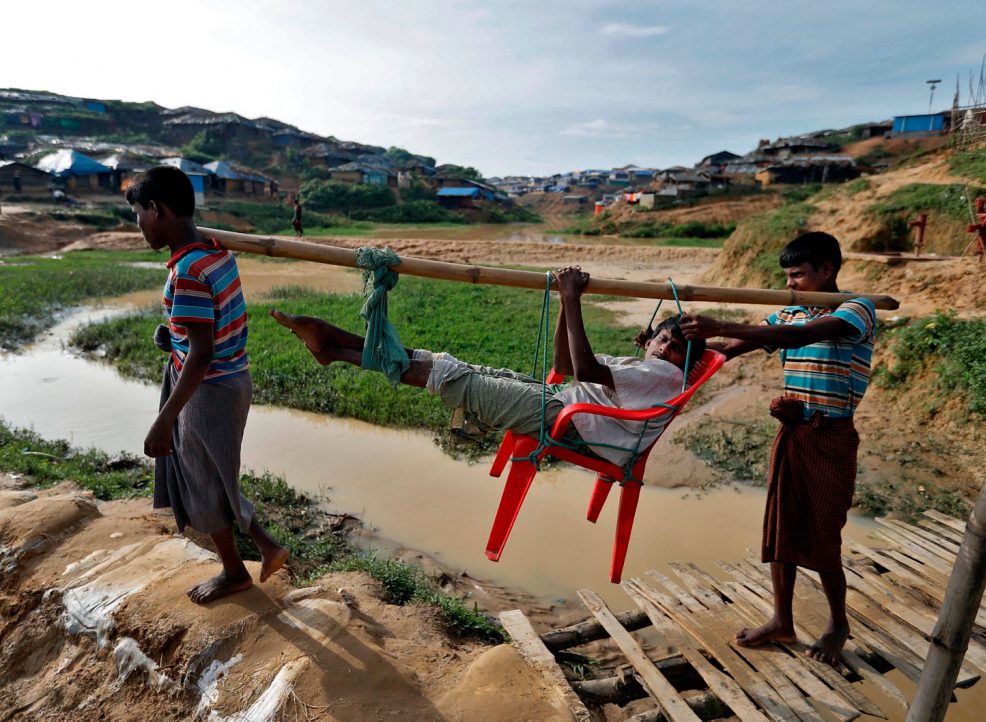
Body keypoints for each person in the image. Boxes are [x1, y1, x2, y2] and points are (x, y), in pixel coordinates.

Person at [270, 267, 705, 466]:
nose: (663, 348)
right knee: (444, 364)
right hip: (564, 403)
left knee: (452, 378)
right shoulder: (651, 368)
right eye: (662, 338)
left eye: (673, 347)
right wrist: (562, 304)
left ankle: (339, 348)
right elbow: (563, 364)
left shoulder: (665, 375)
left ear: (683, 361)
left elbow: (587, 371)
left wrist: (573, 299)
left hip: (570, 421)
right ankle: (339, 349)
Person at [678, 231, 875, 666]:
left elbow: (800, 337)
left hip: (832, 436)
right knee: (781, 527)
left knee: (824, 534)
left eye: (800, 275)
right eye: (787, 277)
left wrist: (721, 324)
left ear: (827, 269)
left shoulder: (857, 309)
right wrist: (677, 344)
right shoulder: (790, 312)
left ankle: (838, 623)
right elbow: (728, 349)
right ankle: (782, 621)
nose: (792, 284)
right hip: (794, 433)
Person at [126, 166, 289, 604]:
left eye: (139, 215)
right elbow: (201, 332)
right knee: (214, 475)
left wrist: (163, 422)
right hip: (225, 379)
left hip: (210, 388)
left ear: (157, 210)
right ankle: (264, 548)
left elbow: (202, 353)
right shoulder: (214, 252)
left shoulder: (191, 271)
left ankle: (237, 571)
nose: (139, 226)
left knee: (205, 481)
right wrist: (172, 336)